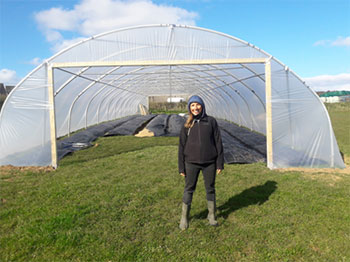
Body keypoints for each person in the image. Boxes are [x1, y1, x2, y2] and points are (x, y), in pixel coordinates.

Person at [178, 95, 224, 230]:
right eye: (192, 105)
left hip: (209, 162)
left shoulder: (211, 121)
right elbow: (181, 146)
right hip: (191, 163)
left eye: (197, 105)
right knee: (189, 189)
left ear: (202, 106)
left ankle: (211, 216)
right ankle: (184, 217)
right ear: (189, 108)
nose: (195, 108)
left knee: (210, 188)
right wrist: (181, 167)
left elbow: (218, 142)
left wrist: (219, 162)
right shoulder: (187, 125)